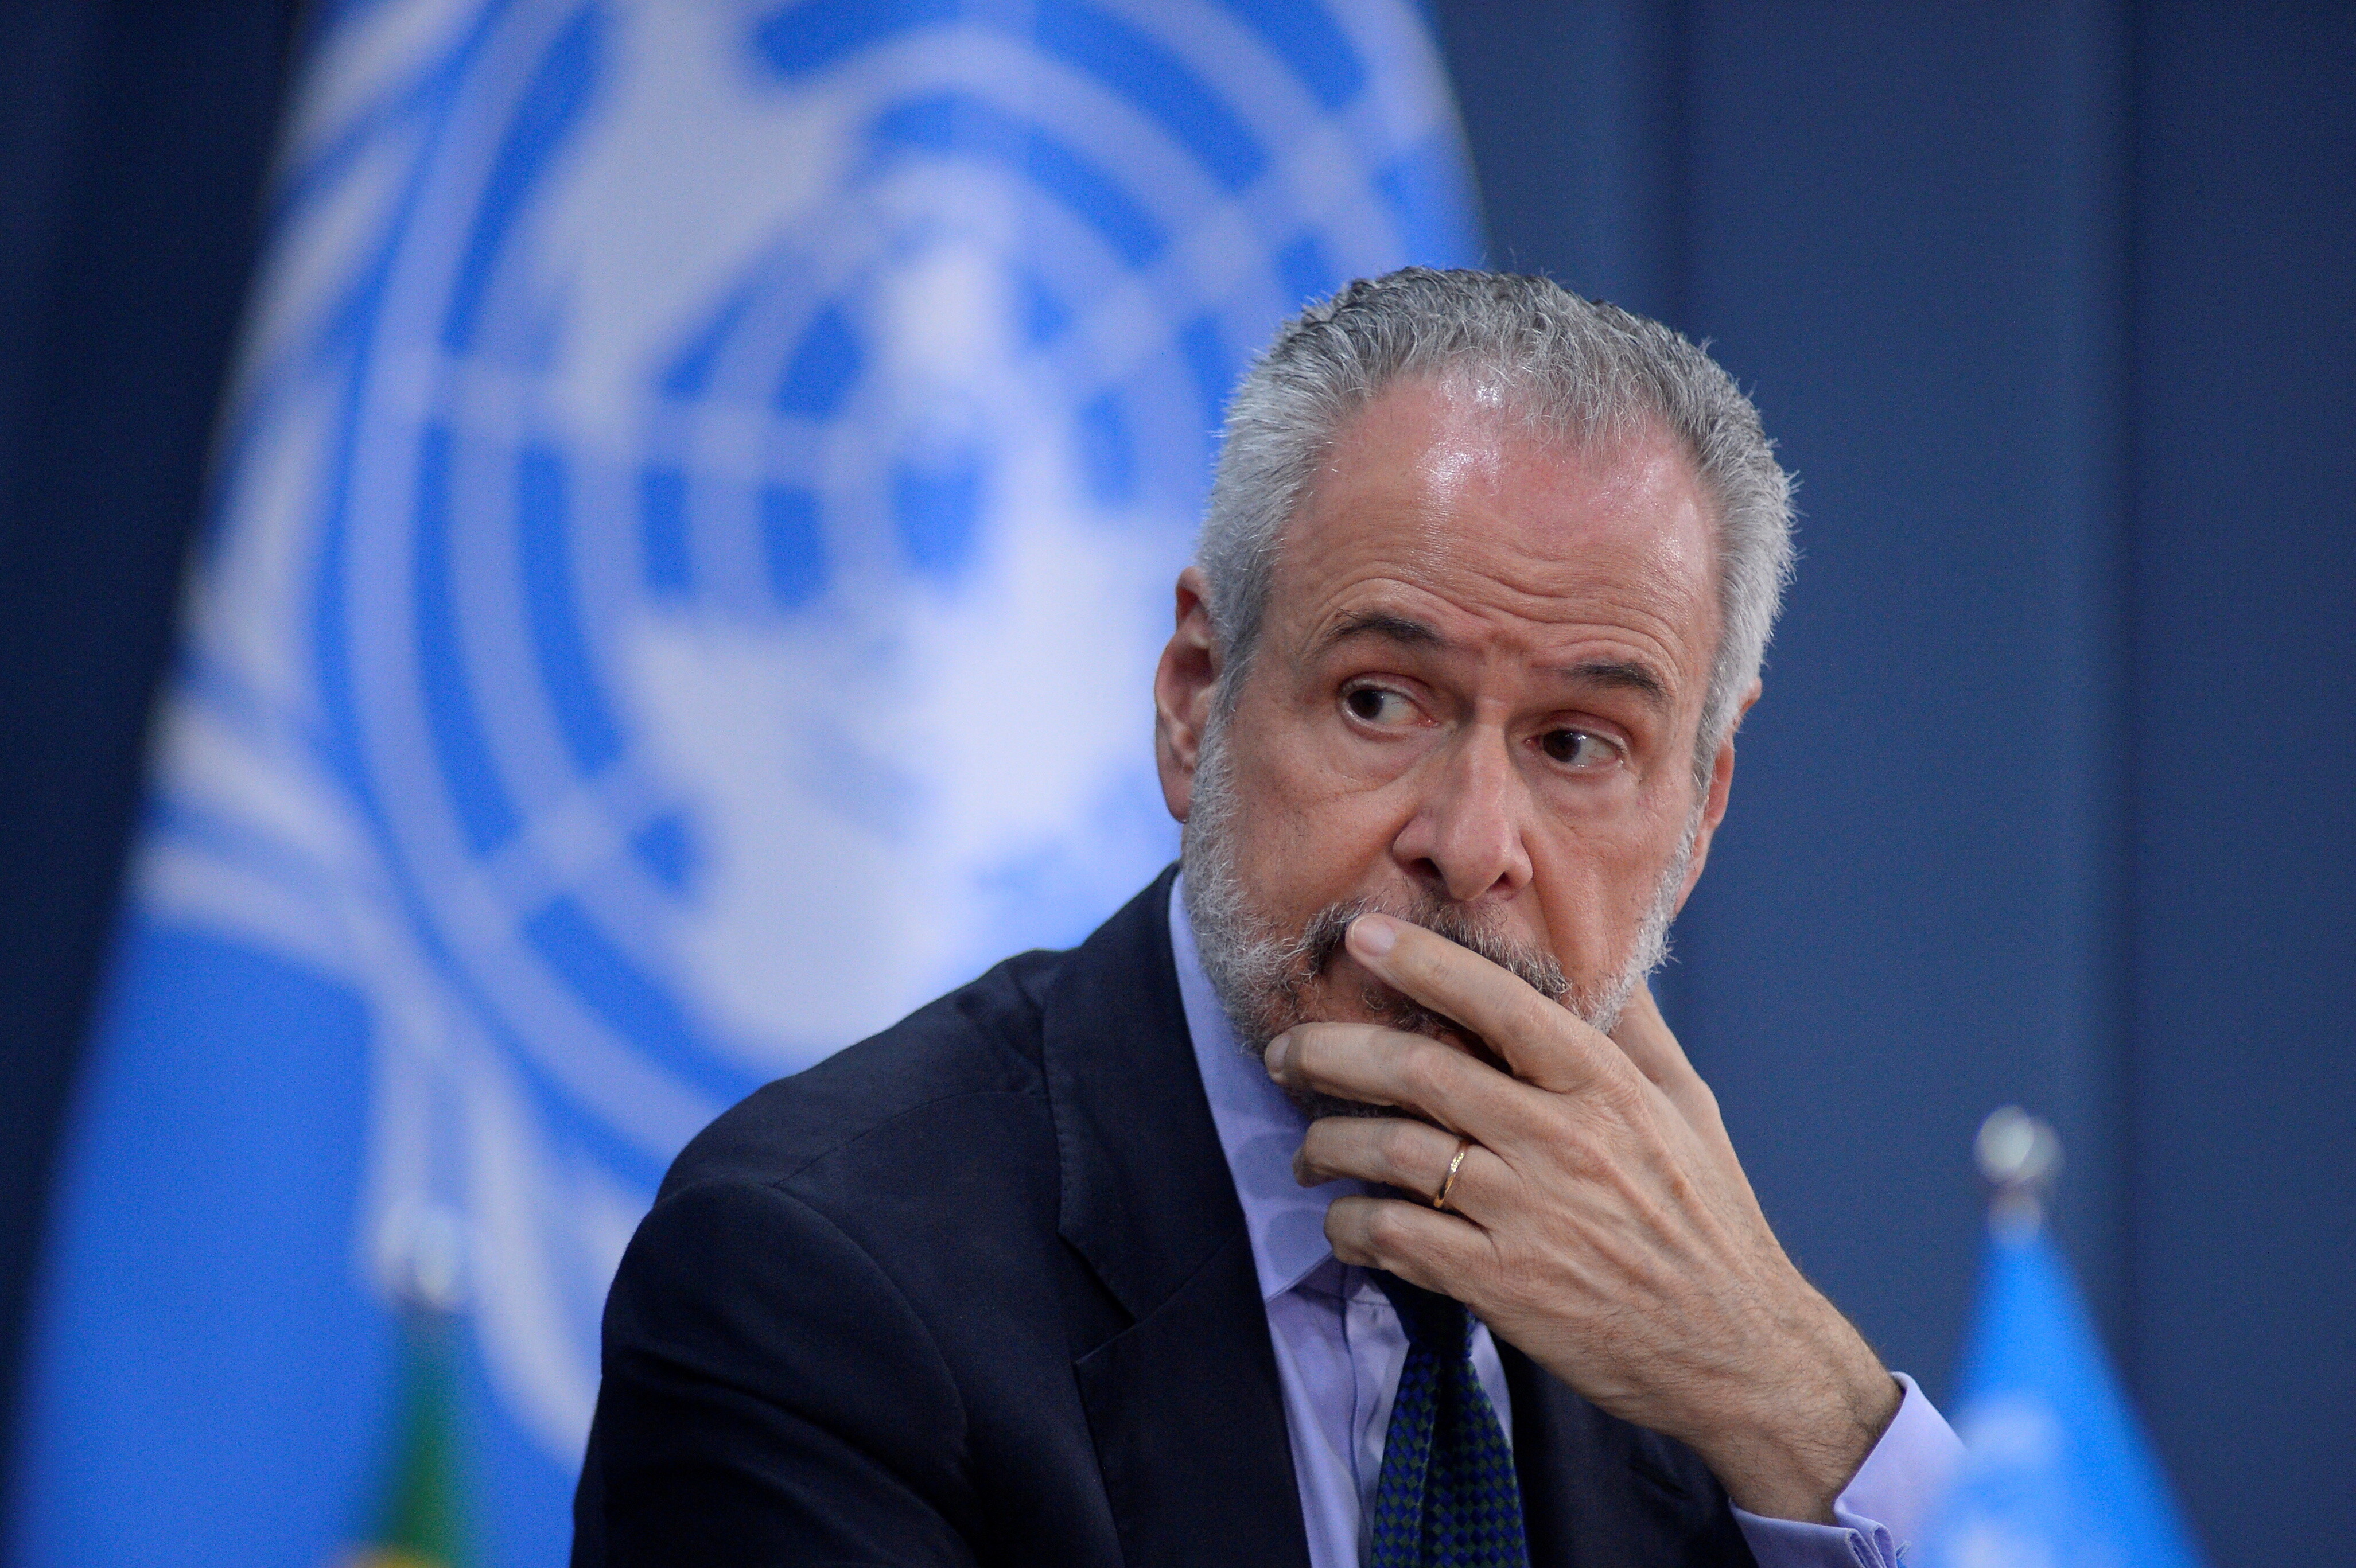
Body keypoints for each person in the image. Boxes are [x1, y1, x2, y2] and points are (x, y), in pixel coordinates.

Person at [571, 269, 1963, 1568]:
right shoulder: (814, 1282)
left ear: (1702, 808)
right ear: (1194, 699)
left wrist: (1786, 1390)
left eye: (1578, 744)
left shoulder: (1685, 1315)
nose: (1471, 846)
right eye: (1379, 700)